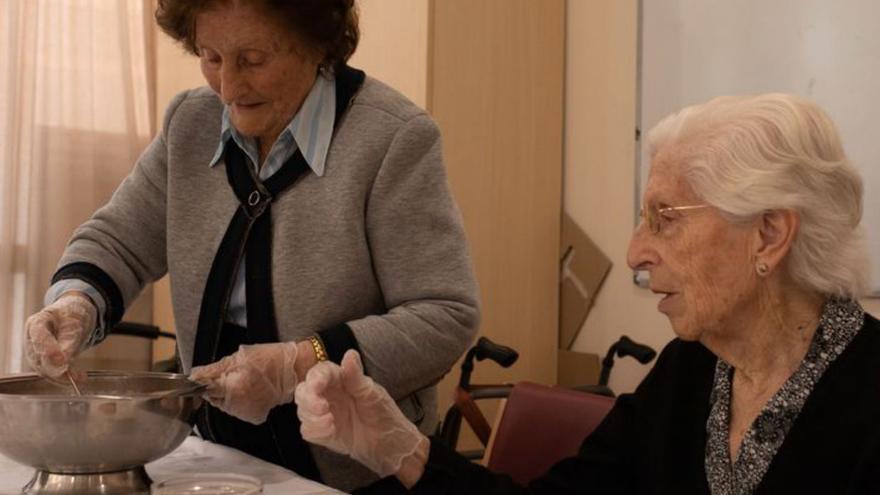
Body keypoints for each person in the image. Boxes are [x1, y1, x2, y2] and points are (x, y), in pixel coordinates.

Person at [293, 93, 880, 494]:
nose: (635, 253)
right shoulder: (690, 372)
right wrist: (398, 446)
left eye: (665, 218)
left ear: (769, 235)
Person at [23, 0, 479, 491]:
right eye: (211, 56)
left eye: (253, 59)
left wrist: (299, 365)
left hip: (353, 474)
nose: (229, 86)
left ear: (315, 43)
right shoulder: (190, 123)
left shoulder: (393, 140)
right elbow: (120, 238)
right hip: (218, 457)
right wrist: (75, 303)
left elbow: (444, 316)